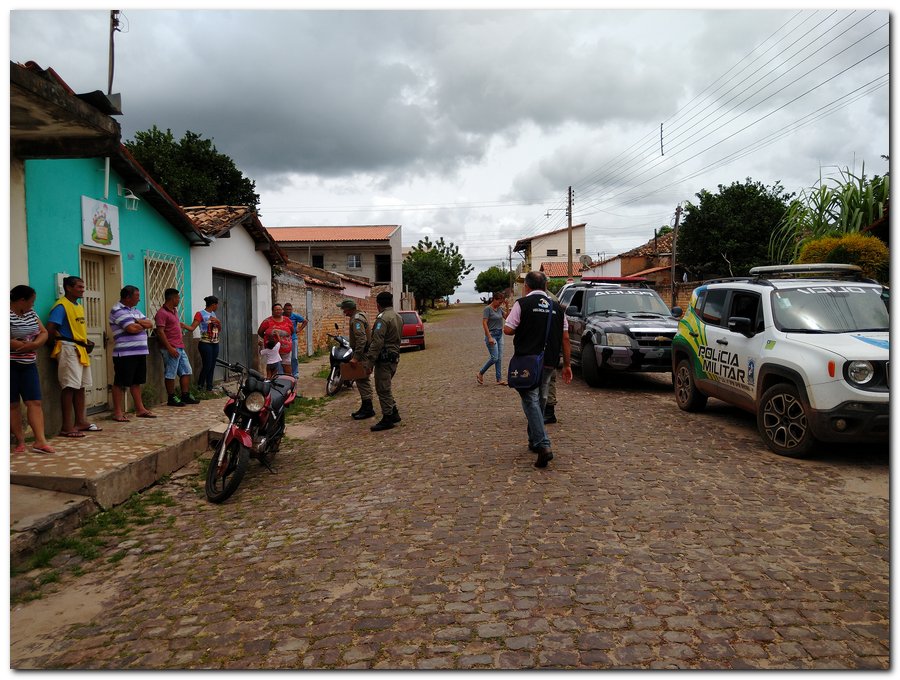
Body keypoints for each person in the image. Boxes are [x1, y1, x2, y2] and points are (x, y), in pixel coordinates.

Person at [503, 271, 572, 468]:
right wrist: (567, 365)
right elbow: (565, 338)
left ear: (527, 286)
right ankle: (534, 440)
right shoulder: (558, 308)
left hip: (527, 361)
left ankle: (543, 445)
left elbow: (508, 329)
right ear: (545, 287)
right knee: (540, 398)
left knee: (530, 400)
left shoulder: (522, 304)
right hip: (549, 361)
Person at [46, 275, 102, 437]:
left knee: (80, 386)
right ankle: (67, 426)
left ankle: (80, 421)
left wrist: (86, 341)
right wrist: (59, 343)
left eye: (83, 287)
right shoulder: (61, 306)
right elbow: (51, 328)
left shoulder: (78, 306)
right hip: (68, 349)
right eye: (79, 287)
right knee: (69, 386)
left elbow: (75, 330)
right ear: (68, 288)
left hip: (79, 348)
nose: (82, 289)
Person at [10, 285, 55, 453]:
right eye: (31, 302)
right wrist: (24, 344)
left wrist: (35, 344)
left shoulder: (31, 314)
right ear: (21, 300)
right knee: (12, 404)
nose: (33, 305)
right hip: (10, 365)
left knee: (34, 401)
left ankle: (40, 441)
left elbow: (43, 332)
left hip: (29, 363)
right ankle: (20, 441)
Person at [108, 285, 156, 421]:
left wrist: (137, 321)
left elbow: (150, 323)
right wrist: (140, 324)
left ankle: (140, 409)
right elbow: (131, 329)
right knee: (120, 382)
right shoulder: (117, 310)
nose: (139, 299)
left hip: (140, 351)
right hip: (125, 353)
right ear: (127, 297)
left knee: (136, 382)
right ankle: (117, 412)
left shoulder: (135, 311)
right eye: (137, 296)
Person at [154, 288, 200, 407]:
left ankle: (185, 394)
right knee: (170, 373)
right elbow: (160, 332)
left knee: (186, 371)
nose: (179, 300)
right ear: (173, 298)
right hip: (170, 348)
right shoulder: (161, 313)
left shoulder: (174, 311)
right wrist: (169, 348)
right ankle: (171, 397)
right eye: (178, 298)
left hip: (180, 347)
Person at [364, 291, 403, 431]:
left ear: (378, 304)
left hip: (384, 359)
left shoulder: (382, 318)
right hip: (393, 357)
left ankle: (388, 418)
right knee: (385, 386)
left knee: (383, 389)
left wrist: (369, 363)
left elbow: (377, 343)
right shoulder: (397, 316)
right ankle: (394, 413)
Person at [340, 299, 374, 420]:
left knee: (362, 380)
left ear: (349, 309)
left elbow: (361, 340)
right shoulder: (361, 314)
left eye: (344, 309)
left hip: (362, 354)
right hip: (365, 352)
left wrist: (356, 358)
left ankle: (368, 408)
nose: (343, 311)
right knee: (362, 380)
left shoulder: (356, 319)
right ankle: (366, 406)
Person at [185, 295, 222, 392]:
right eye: (217, 304)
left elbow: (219, 329)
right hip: (205, 343)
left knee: (212, 365)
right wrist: (182, 325)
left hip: (215, 343)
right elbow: (192, 328)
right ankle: (200, 386)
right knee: (207, 365)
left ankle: (209, 386)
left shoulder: (213, 314)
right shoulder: (200, 314)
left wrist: (218, 322)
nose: (217, 306)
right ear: (213, 305)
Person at [476, 291, 508, 386]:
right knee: (494, 358)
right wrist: (489, 337)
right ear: (494, 299)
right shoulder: (487, 309)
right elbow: (484, 323)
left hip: (499, 334)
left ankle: (499, 379)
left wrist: (506, 306)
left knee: (499, 358)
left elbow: (507, 317)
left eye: (502, 302)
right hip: (491, 335)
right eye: (499, 302)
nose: (500, 304)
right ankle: (480, 373)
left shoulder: (499, 309)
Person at [257, 303, 293, 376]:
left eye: (280, 309)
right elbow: (260, 332)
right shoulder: (267, 321)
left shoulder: (287, 320)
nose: (278, 311)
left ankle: (289, 383)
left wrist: (286, 340)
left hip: (285, 349)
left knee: (287, 367)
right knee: (272, 368)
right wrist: (268, 339)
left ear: (282, 310)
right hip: (272, 350)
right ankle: (272, 384)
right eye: (276, 310)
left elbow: (291, 331)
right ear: (272, 311)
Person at [282, 302, 308, 380]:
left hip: (293, 339)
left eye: (290, 309)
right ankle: (283, 373)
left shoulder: (295, 316)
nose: (288, 311)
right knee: (283, 357)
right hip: (282, 340)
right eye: (287, 309)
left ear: (292, 309)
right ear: (284, 309)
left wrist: (299, 329)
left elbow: (305, 321)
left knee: (294, 357)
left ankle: (295, 373)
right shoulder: (281, 316)